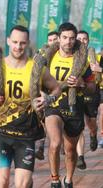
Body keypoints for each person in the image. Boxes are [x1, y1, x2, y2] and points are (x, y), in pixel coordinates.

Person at [0, 25, 61, 188]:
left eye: (22, 43)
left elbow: (57, 88)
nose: (18, 47)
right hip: (2, 131)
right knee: (2, 180)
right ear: (8, 42)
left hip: (26, 134)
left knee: (23, 184)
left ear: (28, 43)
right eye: (15, 42)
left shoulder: (36, 68)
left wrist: (48, 99)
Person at [41, 22, 95, 187]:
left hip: (74, 107)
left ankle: (69, 180)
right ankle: (55, 179)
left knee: (70, 152)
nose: (68, 42)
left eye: (72, 38)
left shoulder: (82, 61)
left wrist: (82, 83)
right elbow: (37, 79)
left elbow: (92, 88)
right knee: (55, 143)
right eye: (64, 38)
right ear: (58, 38)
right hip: (54, 105)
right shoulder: (49, 58)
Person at [76, 30, 99, 170]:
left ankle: (94, 135)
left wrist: (99, 69)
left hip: (90, 95)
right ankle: (80, 157)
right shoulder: (71, 56)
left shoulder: (93, 56)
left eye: (85, 39)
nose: (82, 41)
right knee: (79, 129)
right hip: (77, 97)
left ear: (88, 41)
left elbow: (99, 78)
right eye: (80, 39)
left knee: (91, 124)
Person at [35, 31, 59, 161]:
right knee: (44, 119)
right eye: (50, 40)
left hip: (62, 90)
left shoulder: (65, 53)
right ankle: (40, 147)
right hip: (46, 90)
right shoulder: (40, 54)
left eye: (55, 39)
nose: (53, 42)